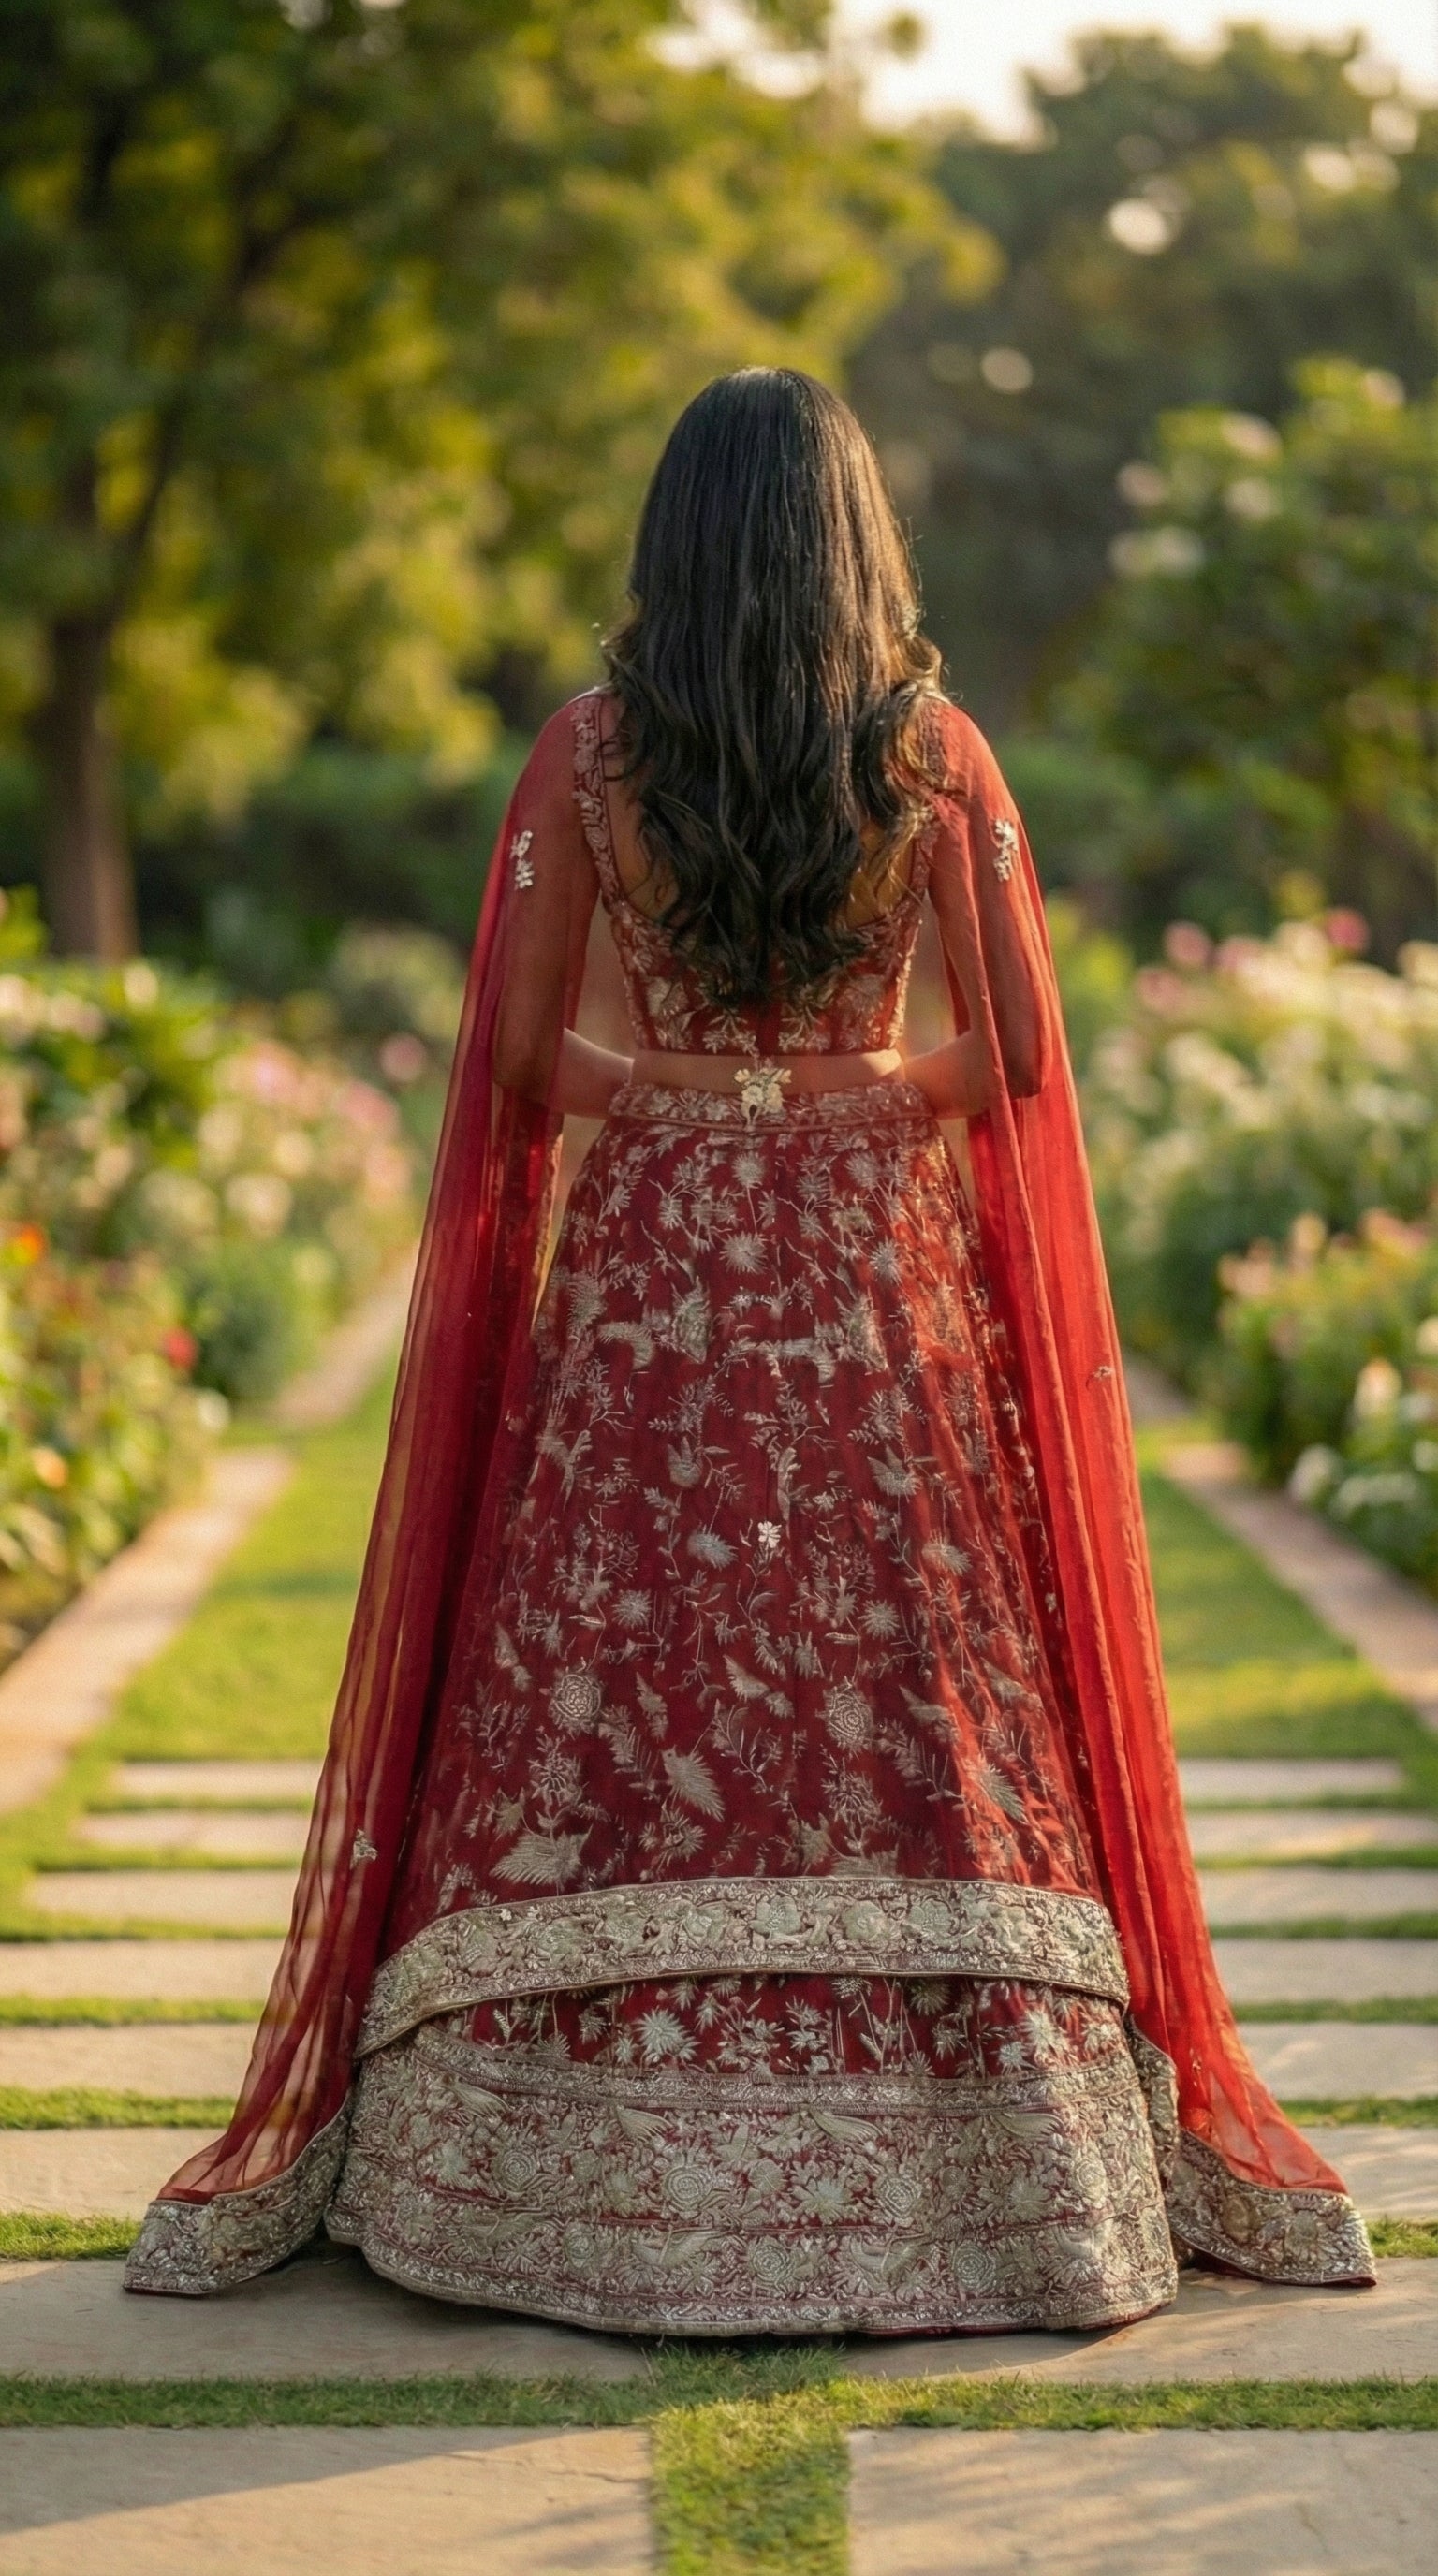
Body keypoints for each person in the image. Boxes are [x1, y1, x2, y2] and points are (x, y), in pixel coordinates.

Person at [126, 370, 1372, 2330]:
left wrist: (690, 1094)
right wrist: (856, 1094)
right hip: (879, 1281)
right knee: (915, 1654)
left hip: (656, 1282)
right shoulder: (935, 756)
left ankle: (528, 2177)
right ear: (855, 536)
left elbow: (522, 1053)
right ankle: (1001, 2169)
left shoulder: (592, 757)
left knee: (616, 1646)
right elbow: (1023, 1055)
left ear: (673, 541)